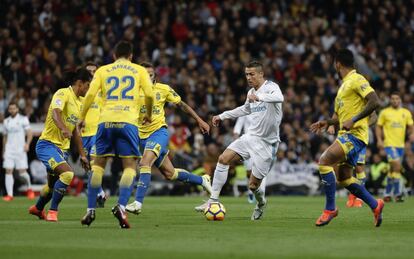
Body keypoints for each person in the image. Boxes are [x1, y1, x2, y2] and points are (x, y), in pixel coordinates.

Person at [195, 61, 283, 220]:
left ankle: (261, 203)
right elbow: (244, 110)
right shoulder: (250, 92)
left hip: (267, 144)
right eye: (247, 74)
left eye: (252, 74)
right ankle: (213, 200)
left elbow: (280, 98)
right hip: (250, 137)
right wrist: (222, 116)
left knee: (253, 186)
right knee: (223, 159)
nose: (249, 77)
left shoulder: (271, 87)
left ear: (261, 74)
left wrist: (260, 97)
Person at [80, 41, 154, 229]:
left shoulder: (103, 70)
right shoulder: (139, 70)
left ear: (114, 56)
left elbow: (89, 95)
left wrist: (81, 116)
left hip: (105, 121)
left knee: (97, 166)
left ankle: (90, 210)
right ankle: (121, 206)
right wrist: (149, 114)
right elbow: (150, 95)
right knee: (129, 167)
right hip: (128, 121)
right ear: (131, 56)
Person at [125, 62, 211, 215]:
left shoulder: (163, 89)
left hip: (159, 133)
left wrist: (199, 120)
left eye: (150, 74)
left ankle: (137, 203)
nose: (147, 77)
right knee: (170, 174)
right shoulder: (132, 92)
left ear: (154, 76)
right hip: (141, 137)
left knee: (145, 163)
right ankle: (202, 180)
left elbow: (182, 105)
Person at [310, 49, 384, 227]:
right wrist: (327, 122)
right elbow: (339, 118)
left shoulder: (357, 79)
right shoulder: (343, 86)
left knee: (324, 161)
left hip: (355, 135)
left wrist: (355, 119)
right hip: (346, 134)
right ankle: (375, 204)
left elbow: (375, 101)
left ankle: (330, 209)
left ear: (337, 64)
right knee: (344, 178)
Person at [28, 68, 91, 222]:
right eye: (88, 85)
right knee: (68, 174)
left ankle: (37, 209)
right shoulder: (62, 94)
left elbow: (76, 131)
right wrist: (63, 129)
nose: (88, 89)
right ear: (80, 83)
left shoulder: (80, 102)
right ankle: (53, 212)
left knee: (51, 186)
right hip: (46, 145)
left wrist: (82, 155)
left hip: (62, 150)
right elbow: (56, 113)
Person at [327, 112, 377, 208]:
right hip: (344, 138)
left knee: (359, 167)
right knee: (343, 171)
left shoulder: (364, 98)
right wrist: (331, 125)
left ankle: (359, 198)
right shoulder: (342, 98)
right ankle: (353, 193)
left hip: (359, 137)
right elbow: (336, 113)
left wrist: (365, 125)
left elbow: (374, 116)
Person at [375, 92, 414, 202]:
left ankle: (387, 194)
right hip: (389, 144)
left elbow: (411, 127)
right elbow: (378, 127)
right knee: (397, 166)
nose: (395, 100)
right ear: (390, 100)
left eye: (397, 99)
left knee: (393, 170)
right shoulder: (385, 112)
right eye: (393, 99)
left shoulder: (405, 113)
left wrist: (411, 135)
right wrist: (379, 140)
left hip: (400, 146)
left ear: (400, 100)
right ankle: (397, 194)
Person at [82, 62, 107, 207]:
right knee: (87, 168)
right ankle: (100, 192)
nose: (91, 73)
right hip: (83, 134)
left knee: (94, 165)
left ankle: (94, 195)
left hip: (97, 133)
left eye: (93, 71)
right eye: (89, 71)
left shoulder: (101, 89)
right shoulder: (80, 90)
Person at [2, 102, 33, 201]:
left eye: (14, 108)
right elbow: (5, 137)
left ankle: (29, 189)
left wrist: (27, 144)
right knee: (8, 170)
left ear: (17, 109)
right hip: (9, 150)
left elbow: (29, 133)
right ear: (8, 110)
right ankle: (10, 195)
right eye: (10, 109)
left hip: (20, 149)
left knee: (22, 172)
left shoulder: (23, 119)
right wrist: (4, 150)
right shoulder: (6, 121)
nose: (12, 110)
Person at [233, 115, 267, 204]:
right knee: (249, 171)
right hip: (247, 143)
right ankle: (251, 192)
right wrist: (236, 139)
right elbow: (238, 126)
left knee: (261, 168)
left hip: (261, 142)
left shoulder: (265, 108)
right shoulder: (246, 108)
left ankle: (261, 193)